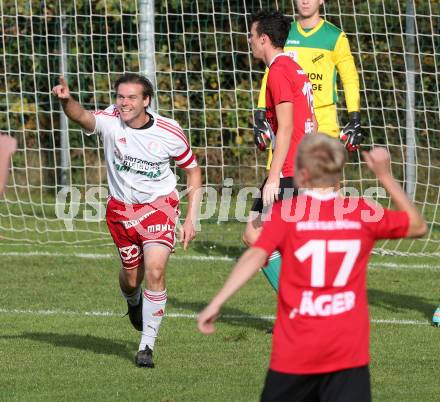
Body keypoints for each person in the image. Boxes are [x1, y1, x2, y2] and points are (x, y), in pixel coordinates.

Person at [198, 134, 427, 402]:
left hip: (295, 353)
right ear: (339, 173)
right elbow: (418, 226)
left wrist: (218, 302)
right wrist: (385, 176)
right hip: (348, 353)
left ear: (301, 174)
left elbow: (255, 254)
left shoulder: (288, 213)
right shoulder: (362, 211)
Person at [52, 73, 202, 368]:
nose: (124, 103)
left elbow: (193, 171)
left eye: (132, 97)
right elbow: (81, 117)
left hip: (160, 206)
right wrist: (66, 100)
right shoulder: (110, 120)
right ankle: (133, 302)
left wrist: (191, 219)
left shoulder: (169, 131)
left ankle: (146, 346)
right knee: (132, 277)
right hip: (121, 212)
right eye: (121, 96)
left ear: (146, 100)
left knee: (155, 271)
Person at [253, 0, 362, 292]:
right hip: (300, 145)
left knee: (302, 230)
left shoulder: (334, 37)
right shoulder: (287, 57)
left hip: (301, 149)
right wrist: (261, 112)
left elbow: (349, 78)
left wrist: (354, 116)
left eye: (251, 36)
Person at [243, 10, 315, 292]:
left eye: (251, 35)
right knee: (261, 235)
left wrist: (274, 177)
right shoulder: (295, 68)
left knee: (257, 235)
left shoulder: (279, 72)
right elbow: (312, 120)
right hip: (302, 165)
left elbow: (285, 128)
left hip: (289, 170)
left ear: (264, 39)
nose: (249, 41)